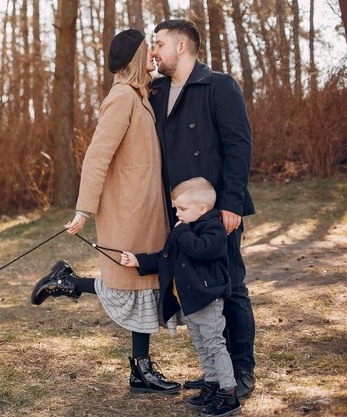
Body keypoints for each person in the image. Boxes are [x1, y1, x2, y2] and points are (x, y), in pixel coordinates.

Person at [30, 29, 180, 395]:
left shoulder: (140, 96)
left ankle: (140, 370)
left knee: (144, 285)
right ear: (134, 58)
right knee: (130, 286)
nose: (152, 57)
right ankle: (66, 284)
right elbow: (97, 156)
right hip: (129, 211)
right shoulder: (121, 98)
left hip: (149, 209)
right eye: (148, 51)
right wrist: (84, 209)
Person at [149, 19, 256, 399]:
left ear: (181, 46)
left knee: (231, 287)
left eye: (158, 43)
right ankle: (216, 372)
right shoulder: (157, 90)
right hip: (181, 210)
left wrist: (230, 203)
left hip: (216, 209)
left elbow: (239, 146)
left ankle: (241, 370)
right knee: (200, 290)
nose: (153, 51)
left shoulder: (219, 85)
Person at [121, 177, 242, 417]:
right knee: (201, 344)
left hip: (207, 299)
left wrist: (182, 232)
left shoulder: (213, 228)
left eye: (183, 209)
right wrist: (139, 261)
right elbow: (165, 257)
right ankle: (212, 383)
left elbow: (201, 249)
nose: (177, 214)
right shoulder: (183, 230)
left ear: (202, 209)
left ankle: (229, 394)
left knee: (215, 345)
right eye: (176, 208)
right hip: (189, 301)